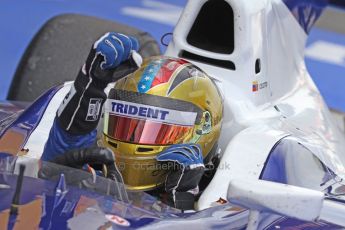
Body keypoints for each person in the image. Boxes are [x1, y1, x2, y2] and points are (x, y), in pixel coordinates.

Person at [40, 32, 223, 210]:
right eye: (124, 125)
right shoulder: (101, 173)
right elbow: (54, 170)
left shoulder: (221, 201)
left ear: (202, 128)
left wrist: (182, 204)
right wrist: (88, 89)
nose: (133, 142)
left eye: (158, 129)